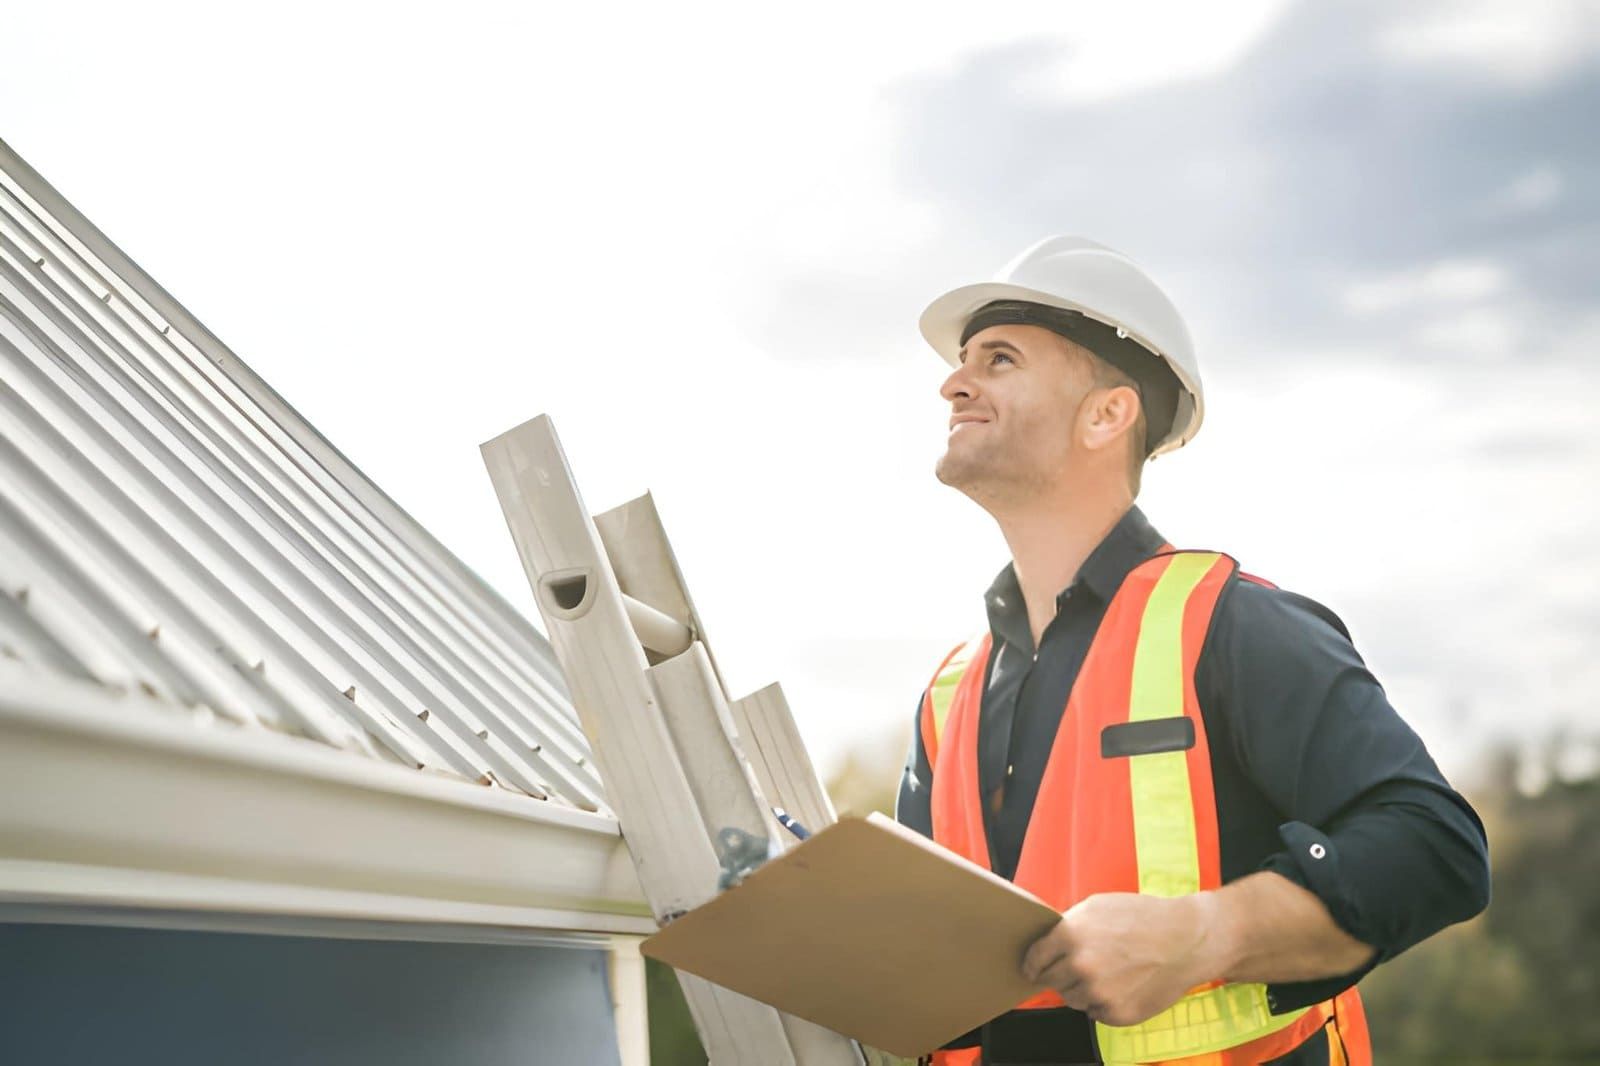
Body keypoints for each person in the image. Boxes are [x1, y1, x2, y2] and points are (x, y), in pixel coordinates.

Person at [894, 237, 1491, 1066]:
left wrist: (1206, 934)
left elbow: (1437, 849)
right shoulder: (948, 694)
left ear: (1107, 414)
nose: (952, 383)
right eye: (964, 362)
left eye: (998, 360)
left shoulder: (1234, 626)